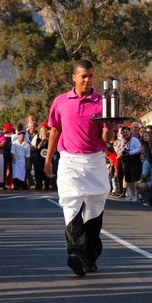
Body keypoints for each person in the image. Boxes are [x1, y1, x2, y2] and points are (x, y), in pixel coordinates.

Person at [44, 59, 115, 276]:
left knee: (94, 210)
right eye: (83, 76)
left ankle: (90, 257)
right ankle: (75, 253)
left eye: (91, 76)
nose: (87, 80)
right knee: (70, 203)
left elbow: (107, 138)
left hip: (94, 161)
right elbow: (55, 130)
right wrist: (48, 159)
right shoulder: (61, 102)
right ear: (74, 77)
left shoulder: (102, 102)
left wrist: (110, 125)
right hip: (69, 161)